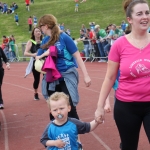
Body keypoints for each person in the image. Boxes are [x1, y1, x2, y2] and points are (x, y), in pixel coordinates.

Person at [95, 0, 150, 150]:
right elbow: (110, 77)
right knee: (128, 146)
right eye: (140, 14)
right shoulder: (119, 45)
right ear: (129, 19)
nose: (145, 16)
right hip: (126, 106)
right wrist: (100, 106)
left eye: (147, 12)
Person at [36, 14, 91, 147]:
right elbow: (39, 57)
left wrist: (86, 75)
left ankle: (77, 142)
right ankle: (56, 141)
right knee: (53, 109)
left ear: (46, 26)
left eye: (41, 26)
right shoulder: (45, 41)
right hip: (51, 78)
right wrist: (42, 57)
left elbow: (77, 56)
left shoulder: (64, 37)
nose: (40, 29)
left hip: (66, 76)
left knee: (70, 109)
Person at [24, 27, 42, 100]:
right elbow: (25, 53)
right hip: (36, 63)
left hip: (45, 61)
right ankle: (35, 93)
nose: (38, 32)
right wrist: (34, 54)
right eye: (36, 31)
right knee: (37, 79)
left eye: (39, 31)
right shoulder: (31, 42)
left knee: (47, 78)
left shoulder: (44, 40)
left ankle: (47, 93)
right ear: (33, 33)